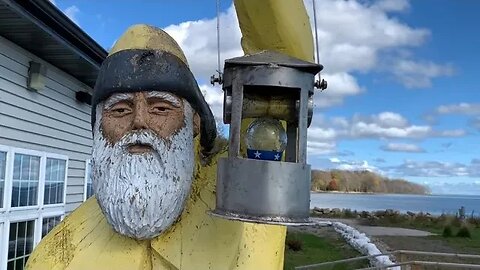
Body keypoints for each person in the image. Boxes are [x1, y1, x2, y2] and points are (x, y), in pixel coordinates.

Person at [26, 24, 285, 270]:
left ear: (194, 122)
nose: (139, 121)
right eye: (119, 109)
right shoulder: (56, 254)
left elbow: (280, 63)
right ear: (98, 128)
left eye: (160, 108)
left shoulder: (244, 190)